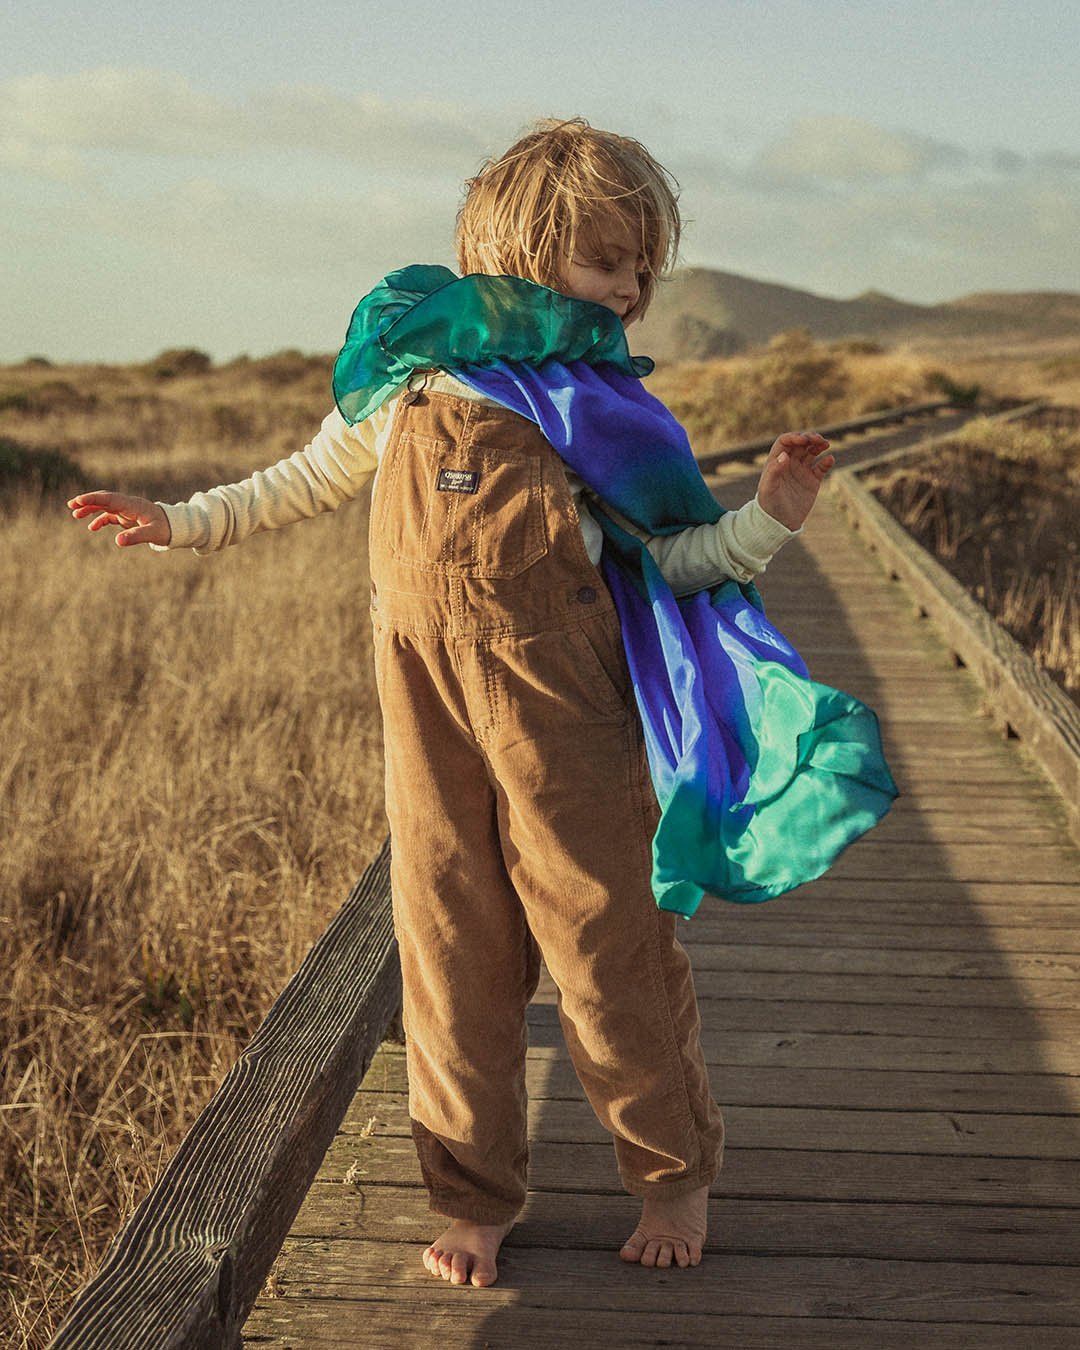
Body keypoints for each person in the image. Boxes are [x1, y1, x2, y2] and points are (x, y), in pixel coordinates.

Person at [68, 118, 892, 1289]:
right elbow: (299, 483)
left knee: (608, 945)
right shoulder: (408, 374)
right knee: (449, 947)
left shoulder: (596, 409)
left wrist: (773, 515)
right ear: (517, 247)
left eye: (642, 267)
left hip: (570, 721)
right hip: (429, 715)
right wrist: (180, 521)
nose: (629, 286)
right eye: (605, 259)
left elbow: (685, 559)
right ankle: (474, 1194)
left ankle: (671, 1172)